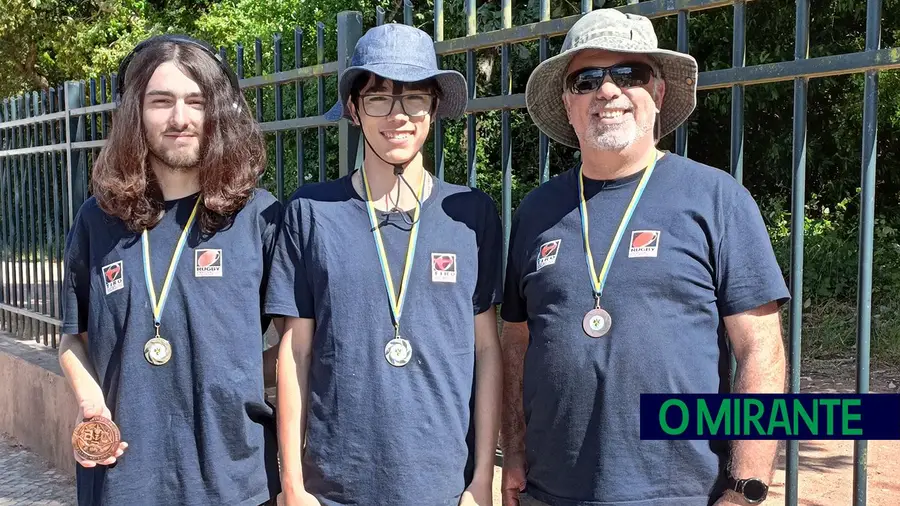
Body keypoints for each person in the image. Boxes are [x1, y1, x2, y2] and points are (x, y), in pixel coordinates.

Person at [500, 9, 790, 506]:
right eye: (586, 79)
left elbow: (760, 349)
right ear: (568, 104)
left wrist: (746, 486)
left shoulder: (716, 198)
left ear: (657, 93)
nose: (607, 92)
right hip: (551, 492)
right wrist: (516, 455)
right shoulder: (537, 210)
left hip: (682, 494)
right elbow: (516, 342)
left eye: (628, 74)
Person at [265, 23, 503, 506]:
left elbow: (487, 350)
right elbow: (296, 353)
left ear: (434, 108)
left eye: (414, 98)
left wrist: (481, 479)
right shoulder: (311, 212)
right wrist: (292, 483)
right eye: (379, 98)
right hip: (335, 487)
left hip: (443, 486)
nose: (398, 116)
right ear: (353, 108)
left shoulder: (471, 215)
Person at [59, 34, 283, 505]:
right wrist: (90, 401)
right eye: (161, 101)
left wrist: (236, 373)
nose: (180, 118)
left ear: (217, 112)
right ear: (135, 113)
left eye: (195, 102)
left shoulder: (260, 218)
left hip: (234, 482)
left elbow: (300, 345)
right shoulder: (96, 220)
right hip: (122, 479)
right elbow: (72, 338)